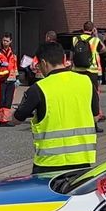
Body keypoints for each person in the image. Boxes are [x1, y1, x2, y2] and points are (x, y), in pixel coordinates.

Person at [14, 42, 98, 173]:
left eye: (39, 65)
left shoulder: (38, 88)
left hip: (49, 163)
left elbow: (17, 118)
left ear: (43, 62)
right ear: (64, 59)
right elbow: (96, 115)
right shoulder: (86, 81)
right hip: (82, 161)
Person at [71, 21, 106, 130]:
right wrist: (95, 36)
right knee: (93, 97)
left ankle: (78, 121)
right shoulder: (95, 40)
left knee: (79, 96)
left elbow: (72, 53)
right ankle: (94, 124)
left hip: (77, 71)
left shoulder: (75, 39)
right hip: (91, 72)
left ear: (83, 28)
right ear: (93, 29)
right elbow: (103, 49)